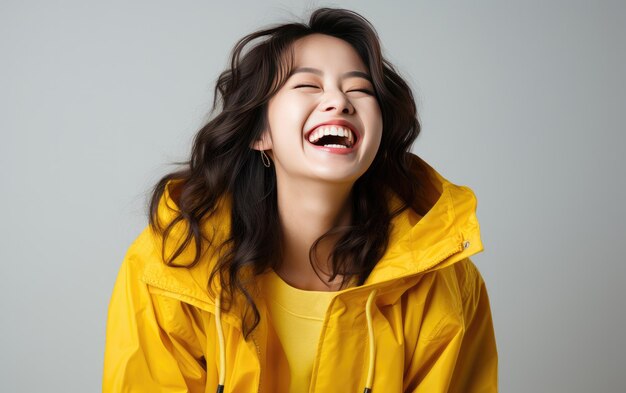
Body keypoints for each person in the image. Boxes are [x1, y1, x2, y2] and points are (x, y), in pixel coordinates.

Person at [103, 7, 498, 393]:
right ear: (260, 134)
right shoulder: (174, 264)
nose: (340, 101)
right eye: (308, 85)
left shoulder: (444, 283)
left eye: (359, 89)